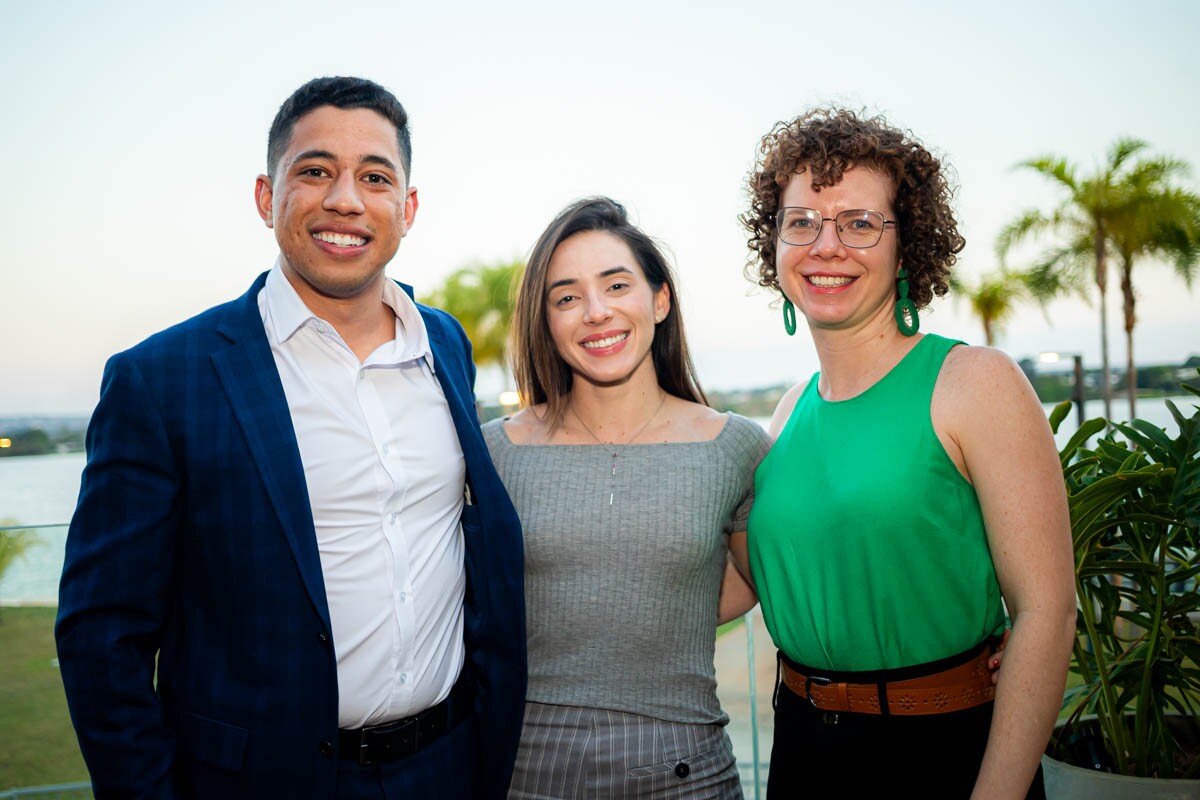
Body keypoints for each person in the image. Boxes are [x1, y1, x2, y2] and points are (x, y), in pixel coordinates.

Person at [54, 76, 526, 800]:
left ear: (408, 208)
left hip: (448, 766)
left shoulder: (445, 344)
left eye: (375, 176)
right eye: (315, 171)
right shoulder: (161, 380)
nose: (346, 199)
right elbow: (101, 637)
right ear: (266, 198)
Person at [733, 108, 1076, 798]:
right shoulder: (787, 410)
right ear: (774, 243)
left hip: (942, 755)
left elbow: (1046, 609)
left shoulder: (976, 383)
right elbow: (749, 581)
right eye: (801, 222)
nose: (826, 245)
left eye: (859, 224)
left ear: (906, 244)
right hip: (801, 751)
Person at [482, 197, 769, 798]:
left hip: (687, 770)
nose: (595, 312)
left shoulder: (734, 447)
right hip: (522, 769)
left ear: (659, 300)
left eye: (616, 285)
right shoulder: (494, 452)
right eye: (566, 297)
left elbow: (755, 584)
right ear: (546, 319)